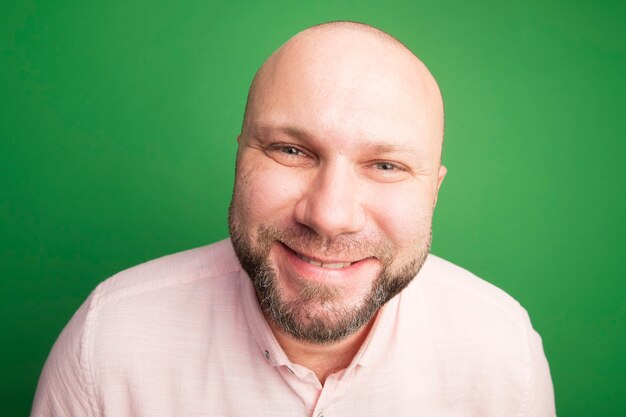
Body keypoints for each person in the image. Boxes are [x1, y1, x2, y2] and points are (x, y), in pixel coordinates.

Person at [32, 21, 555, 416]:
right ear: (240, 159)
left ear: (433, 190)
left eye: (386, 165)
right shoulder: (106, 344)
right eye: (291, 151)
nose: (329, 216)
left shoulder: (504, 356)